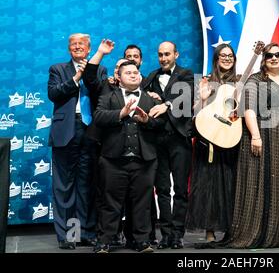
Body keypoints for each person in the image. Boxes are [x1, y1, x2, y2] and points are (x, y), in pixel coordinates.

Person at [224, 43, 279, 248]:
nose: (274, 58)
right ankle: (259, 232)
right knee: (259, 181)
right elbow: (249, 109)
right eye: (269, 55)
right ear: (264, 59)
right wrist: (255, 136)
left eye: (278, 54)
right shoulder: (256, 80)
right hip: (263, 134)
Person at [93, 61, 164, 253]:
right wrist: (120, 113)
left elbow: (161, 124)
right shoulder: (108, 96)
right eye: (128, 73)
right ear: (119, 77)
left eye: (136, 72)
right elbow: (98, 117)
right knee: (110, 203)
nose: (133, 75)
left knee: (142, 203)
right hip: (113, 160)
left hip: (144, 160)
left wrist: (147, 120)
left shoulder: (152, 99)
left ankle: (141, 241)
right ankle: (104, 241)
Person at [47, 33, 107, 249]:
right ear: (68, 49)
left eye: (81, 44)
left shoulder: (99, 68)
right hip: (66, 131)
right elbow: (53, 93)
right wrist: (75, 78)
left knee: (87, 185)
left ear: (89, 48)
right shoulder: (58, 69)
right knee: (65, 186)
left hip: (90, 131)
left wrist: (87, 71)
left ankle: (86, 232)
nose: (77, 47)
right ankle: (69, 235)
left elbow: (99, 92)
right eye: (73, 44)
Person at [142, 41, 194, 249]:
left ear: (176, 54)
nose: (163, 58)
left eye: (167, 54)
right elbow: (138, 94)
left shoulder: (186, 74)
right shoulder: (152, 77)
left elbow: (187, 97)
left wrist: (165, 103)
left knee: (181, 189)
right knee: (162, 190)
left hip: (179, 138)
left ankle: (178, 234)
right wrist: (149, 96)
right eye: (160, 55)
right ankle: (165, 234)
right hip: (157, 141)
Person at [186, 43, 239, 243]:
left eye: (230, 56)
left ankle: (230, 231)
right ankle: (209, 232)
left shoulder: (240, 82)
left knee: (230, 186)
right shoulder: (205, 81)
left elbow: (241, 113)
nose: (227, 58)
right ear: (216, 59)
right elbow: (194, 113)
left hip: (231, 141)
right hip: (208, 142)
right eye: (222, 55)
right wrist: (202, 99)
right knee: (209, 187)